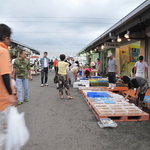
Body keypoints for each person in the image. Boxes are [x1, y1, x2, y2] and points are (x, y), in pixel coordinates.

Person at [0, 24, 17, 149]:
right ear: (5, 38)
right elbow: (5, 75)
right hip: (2, 99)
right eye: (9, 38)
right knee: (3, 133)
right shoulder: (3, 51)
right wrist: (11, 95)